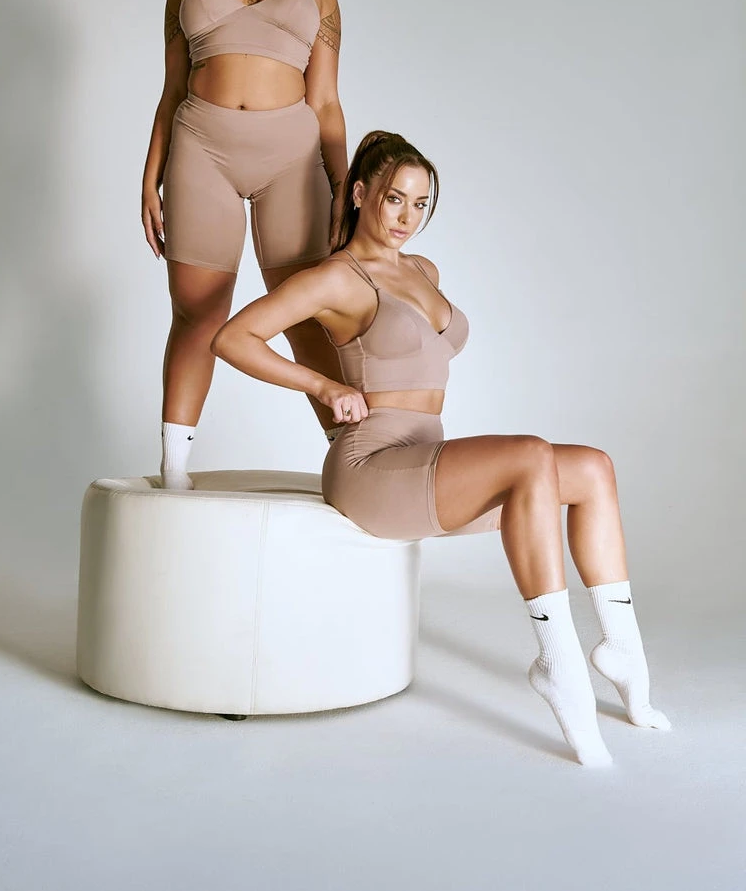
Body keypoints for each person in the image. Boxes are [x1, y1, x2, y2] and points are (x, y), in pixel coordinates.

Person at [211, 130, 671, 766]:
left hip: (425, 455)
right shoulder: (337, 279)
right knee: (529, 454)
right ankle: (558, 664)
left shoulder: (423, 271)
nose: (407, 216)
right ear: (361, 194)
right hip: (372, 466)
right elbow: (233, 338)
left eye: (421, 203)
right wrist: (323, 384)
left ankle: (622, 650)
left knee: (593, 468)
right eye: (394, 199)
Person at [141, 0, 348, 488]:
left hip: (292, 159)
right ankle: (174, 473)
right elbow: (172, 90)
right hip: (201, 148)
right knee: (197, 313)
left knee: (307, 316)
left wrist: (344, 186)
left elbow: (326, 102)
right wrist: (149, 178)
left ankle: (356, 462)